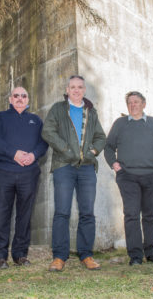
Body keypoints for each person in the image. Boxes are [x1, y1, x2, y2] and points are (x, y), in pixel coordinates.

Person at [42, 75, 106, 271]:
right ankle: (59, 257)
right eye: (72, 87)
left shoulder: (91, 112)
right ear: (67, 90)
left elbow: (101, 137)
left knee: (87, 212)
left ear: (84, 90)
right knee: (62, 211)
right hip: (63, 166)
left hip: (86, 167)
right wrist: (67, 150)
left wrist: (92, 152)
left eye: (80, 87)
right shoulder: (58, 109)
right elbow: (48, 131)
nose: (76, 90)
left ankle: (86, 255)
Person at [104, 91, 153, 266]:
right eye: (130, 102)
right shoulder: (120, 124)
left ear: (144, 104)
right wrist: (114, 163)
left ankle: (151, 253)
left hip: (152, 176)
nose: (133, 105)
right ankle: (135, 256)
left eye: (136, 102)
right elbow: (109, 147)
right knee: (132, 214)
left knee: (150, 215)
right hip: (128, 177)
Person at [0, 87, 49, 269]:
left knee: (24, 215)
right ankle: (0, 256)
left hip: (29, 174)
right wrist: (13, 153)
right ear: (10, 99)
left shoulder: (36, 120)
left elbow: (44, 142)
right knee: (1, 214)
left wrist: (33, 155)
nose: (20, 99)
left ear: (28, 99)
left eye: (24, 96)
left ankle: (20, 254)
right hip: (4, 172)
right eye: (16, 96)